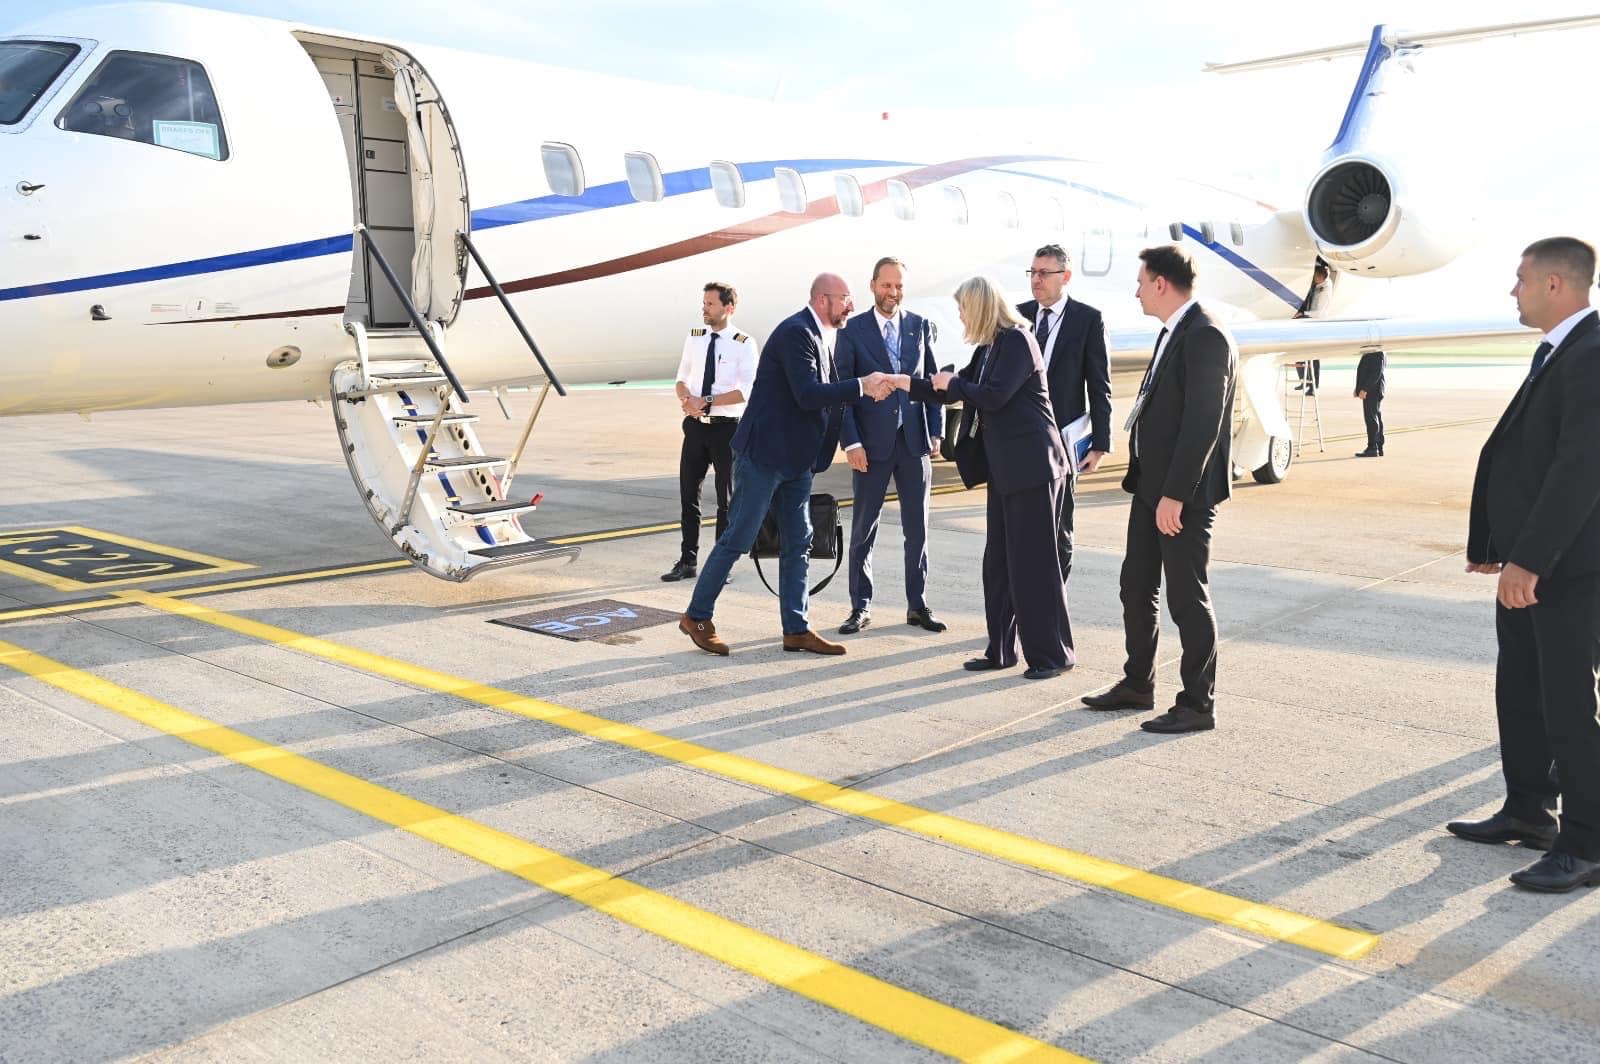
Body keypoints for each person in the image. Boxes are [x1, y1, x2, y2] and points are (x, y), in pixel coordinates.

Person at [1454, 236, 1600, 893]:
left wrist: (1532, 561)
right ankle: (1528, 809)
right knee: (1521, 689)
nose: (1513, 290)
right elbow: (1524, 458)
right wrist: (1498, 547)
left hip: (1567, 570)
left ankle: (1586, 843)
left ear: (1555, 285)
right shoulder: (1560, 352)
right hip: (1532, 564)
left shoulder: (1591, 354)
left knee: (1567, 703)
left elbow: (1578, 471)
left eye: (1521, 279)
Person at [679, 274, 896, 656]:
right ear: (823, 299)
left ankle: (796, 629)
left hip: (796, 460)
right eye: (845, 298)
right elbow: (808, 394)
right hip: (764, 456)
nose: (851, 305)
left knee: (799, 541)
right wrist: (861, 385)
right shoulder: (796, 332)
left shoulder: (822, 335)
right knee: (739, 536)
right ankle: (697, 616)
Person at [1083, 245, 1236, 734]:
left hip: (1180, 496)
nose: (1137, 291)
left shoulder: (1206, 333)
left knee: (1186, 598)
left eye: (1141, 282)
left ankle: (1197, 703)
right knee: (1136, 586)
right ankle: (1137, 683)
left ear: (1161, 284)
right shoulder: (1175, 330)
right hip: (1152, 488)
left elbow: (1203, 422)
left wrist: (1177, 494)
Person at [903, 276, 1072, 680]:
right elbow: (954, 390)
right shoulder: (989, 347)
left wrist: (955, 384)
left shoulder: (1017, 341)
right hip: (1006, 472)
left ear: (980, 307)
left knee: (1033, 566)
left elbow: (993, 395)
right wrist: (903, 384)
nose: (960, 315)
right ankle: (1000, 650)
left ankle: (1053, 655)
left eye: (963, 308)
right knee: (998, 564)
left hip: (1033, 471)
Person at [836, 257, 946, 635]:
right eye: (886, 285)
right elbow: (842, 393)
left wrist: (936, 431)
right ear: (872, 285)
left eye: (899, 286)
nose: (893, 293)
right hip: (870, 445)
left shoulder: (919, 326)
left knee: (918, 531)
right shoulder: (852, 331)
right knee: (863, 530)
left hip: (914, 443)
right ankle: (860, 606)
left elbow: (931, 382)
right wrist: (851, 442)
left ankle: (917, 605)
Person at [1016, 242, 1113, 652]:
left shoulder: (1087, 319)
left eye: (1044, 273)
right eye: (1033, 273)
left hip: (1062, 443)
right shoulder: (1018, 315)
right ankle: (1020, 612)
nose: (1036, 280)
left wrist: (1101, 443)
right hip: (1020, 442)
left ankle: (1052, 607)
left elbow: (1099, 384)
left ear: (1065, 277)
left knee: (1059, 531)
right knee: (1019, 533)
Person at [662, 282, 759, 581]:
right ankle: (687, 561)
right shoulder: (695, 337)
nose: (704, 309)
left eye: (711, 304)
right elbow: (681, 377)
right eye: (704, 303)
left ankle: (720, 565)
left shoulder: (744, 343)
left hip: (726, 430)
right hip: (695, 428)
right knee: (688, 496)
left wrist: (705, 401)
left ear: (729, 308)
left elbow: (746, 392)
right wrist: (686, 399)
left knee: (725, 502)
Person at [1293, 262, 1331, 394]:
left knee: (1313, 356)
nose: (1313, 278)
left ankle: (1314, 387)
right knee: (1299, 352)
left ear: (1321, 277)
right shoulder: (1316, 287)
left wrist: (1303, 313)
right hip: (1309, 321)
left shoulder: (1325, 290)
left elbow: (1319, 313)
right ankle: (1304, 380)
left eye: (1315, 276)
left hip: (1315, 323)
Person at [1353, 348, 1387, 458]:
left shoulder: (1377, 352)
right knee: (1374, 416)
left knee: (1371, 418)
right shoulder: (1372, 351)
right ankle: (1378, 446)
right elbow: (1365, 371)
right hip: (1371, 390)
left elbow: (1375, 374)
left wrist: (1365, 389)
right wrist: (1358, 388)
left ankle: (1373, 448)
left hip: (1372, 391)